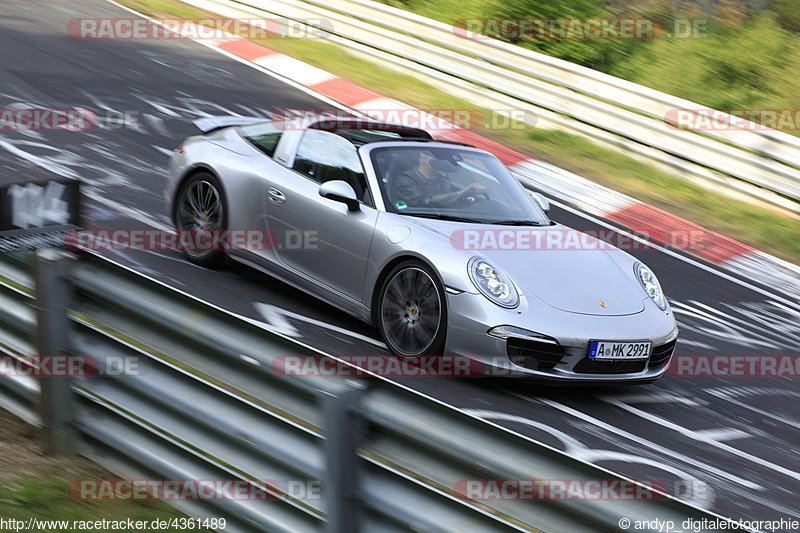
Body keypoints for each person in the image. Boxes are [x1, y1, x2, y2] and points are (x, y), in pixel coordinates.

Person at [390, 151, 486, 208]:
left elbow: (448, 203)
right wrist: (465, 192)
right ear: (428, 160)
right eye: (444, 162)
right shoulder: (406, 179)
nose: (446, 169)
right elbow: (426, 202)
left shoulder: (442, 180)